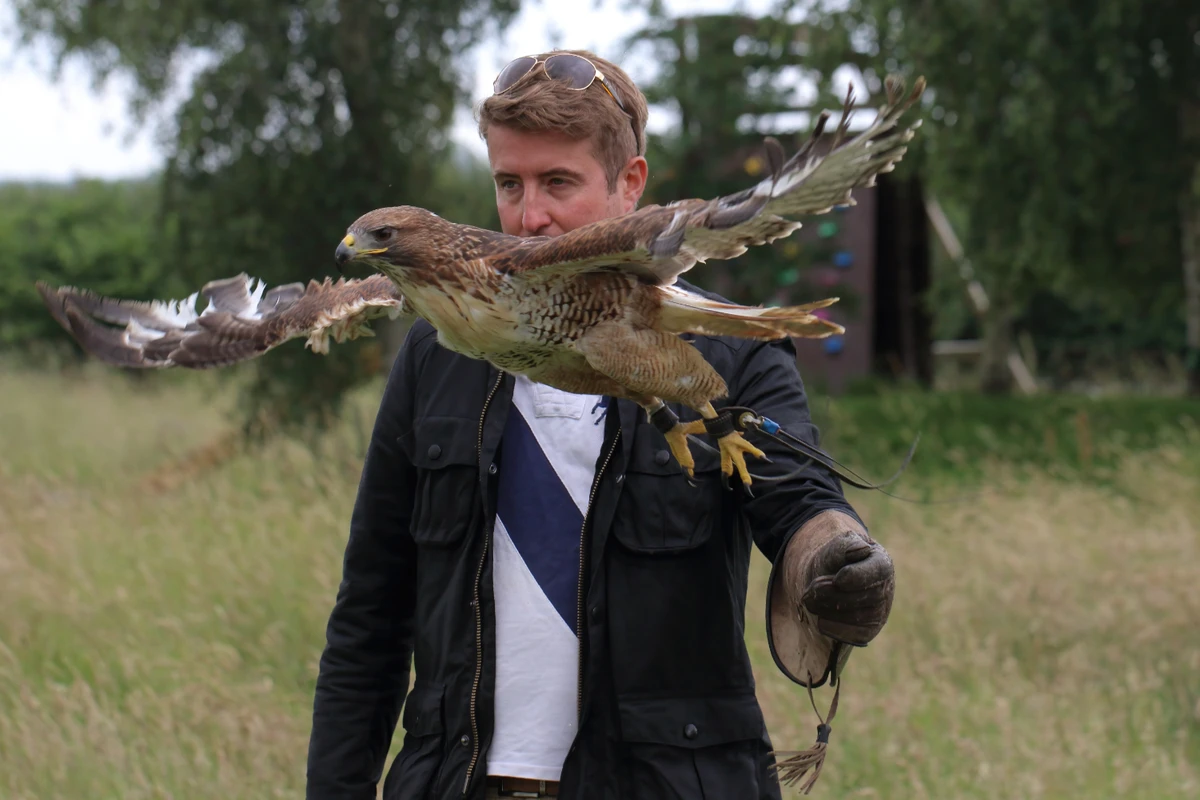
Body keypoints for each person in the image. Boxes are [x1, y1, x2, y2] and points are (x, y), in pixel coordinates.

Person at [306, 49, 896, 800]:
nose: (530, 215)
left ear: (630, 186)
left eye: (558, 182)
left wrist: (832, 553)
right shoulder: (437, 353)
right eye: (508, 184)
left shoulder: (723, 350)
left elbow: (797, 494)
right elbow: (371, 613)